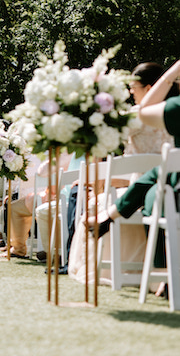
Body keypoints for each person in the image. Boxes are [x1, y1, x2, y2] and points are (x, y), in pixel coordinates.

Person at [69, 62, 177, 284]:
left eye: (133, 87)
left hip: (150, 183)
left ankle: (94, 267)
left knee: (95, 204)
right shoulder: (170, 109)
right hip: (162, 182)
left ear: (149, 89)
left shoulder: (139, 116)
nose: (130, 92)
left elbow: (102, 130)